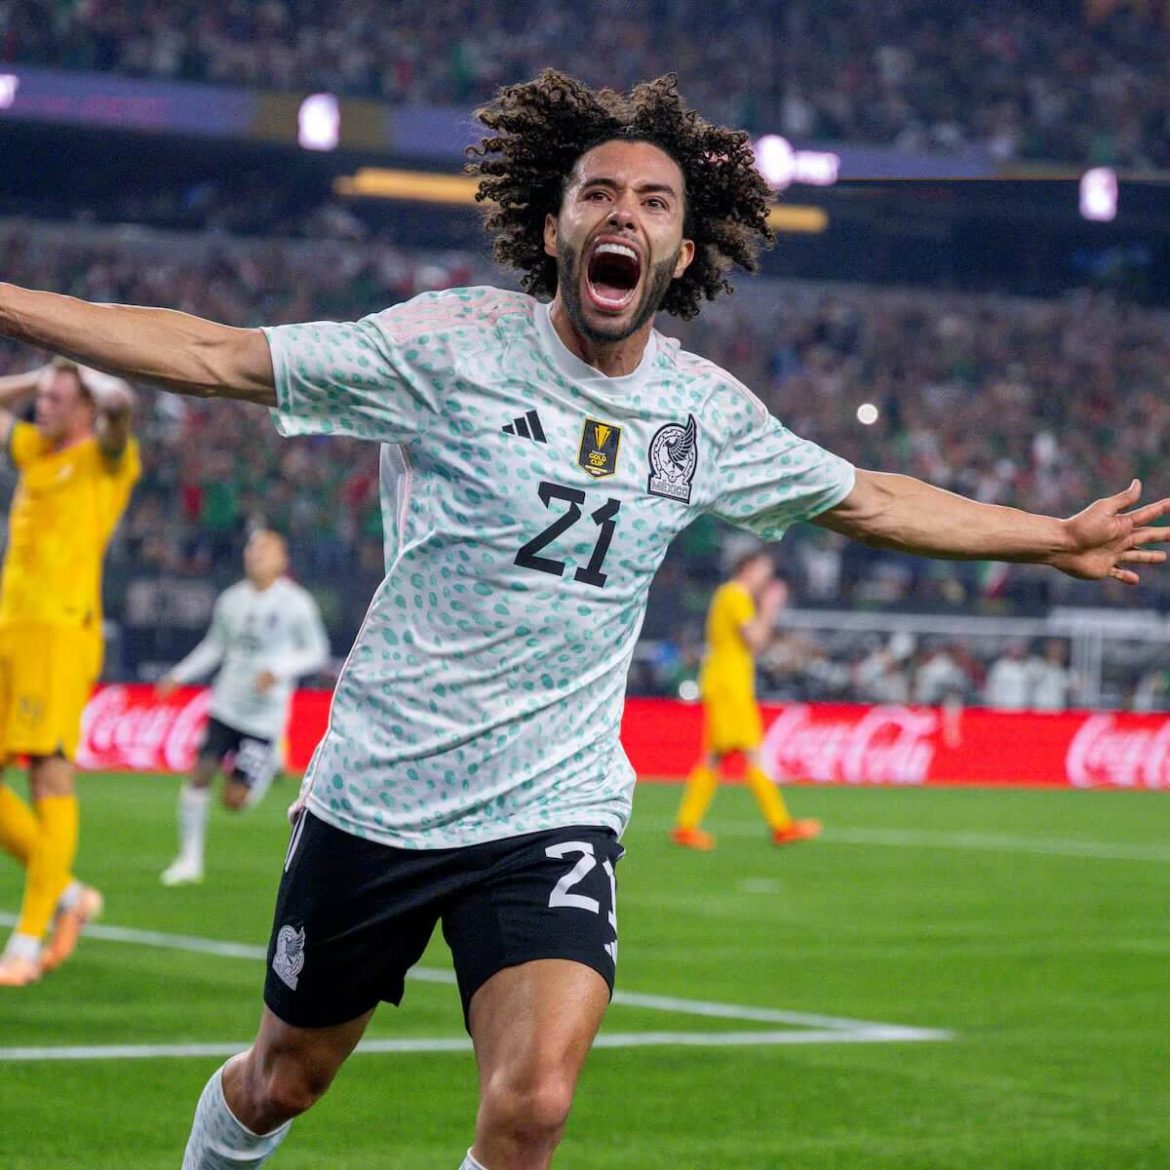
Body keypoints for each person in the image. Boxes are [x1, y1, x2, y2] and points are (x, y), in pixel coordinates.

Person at [0, 71, 1166, 1170]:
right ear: (555, 231)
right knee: (282, 1081)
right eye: (598, 193)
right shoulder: (448, 348)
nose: (625, 213)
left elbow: (869, 498)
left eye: (654, 201)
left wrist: (1051, 537)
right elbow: (214, 356)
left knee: (532, 1108)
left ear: (683, 250)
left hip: (552, 806)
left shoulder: (703, 412)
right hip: (384, 794)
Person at [0, 358, 140, 986]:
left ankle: (27, 940)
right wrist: (38, 378)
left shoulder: (106, 461)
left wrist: (107, 391)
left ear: (86, 408)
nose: (44, 408)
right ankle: (66, 895)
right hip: (10, 634)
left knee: (49, 776)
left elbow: (118, 422)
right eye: (44, 398)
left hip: (59, 636)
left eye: (59, 399)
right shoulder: (36, 450)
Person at [156, 529, 330, 886]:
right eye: (252, 549)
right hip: (226, 703)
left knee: (235, 801)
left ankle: (265, 767)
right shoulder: (231, 600)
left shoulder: (296, 604)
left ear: (283, 559)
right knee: (200, 774)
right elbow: (214, 647)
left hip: (264, 718)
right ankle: (189, 861)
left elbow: (317, 651)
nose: (255, 555)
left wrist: (278, 670)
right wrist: (178, 675)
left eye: (265, 550)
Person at [672, 550, 821, 850]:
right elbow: (755, 641)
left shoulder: (727, 595)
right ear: (747, 568)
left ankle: (686, 826)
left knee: (714, 757)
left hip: (724, 681)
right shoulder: (737, 595)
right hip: (730, 685)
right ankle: (781, 825)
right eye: (763, 571)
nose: (766, 578)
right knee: (752, 752)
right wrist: (769, 607)